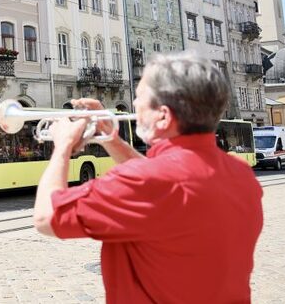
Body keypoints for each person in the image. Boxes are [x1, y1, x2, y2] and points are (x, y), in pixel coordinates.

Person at [32, 52, 263, 303]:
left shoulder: (147, 182)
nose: (134, 104)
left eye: (140, 97)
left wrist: (63, 145)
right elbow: (160, 189)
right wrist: (111, 139)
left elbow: (47, 217)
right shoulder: (242, 175)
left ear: (163, 116)